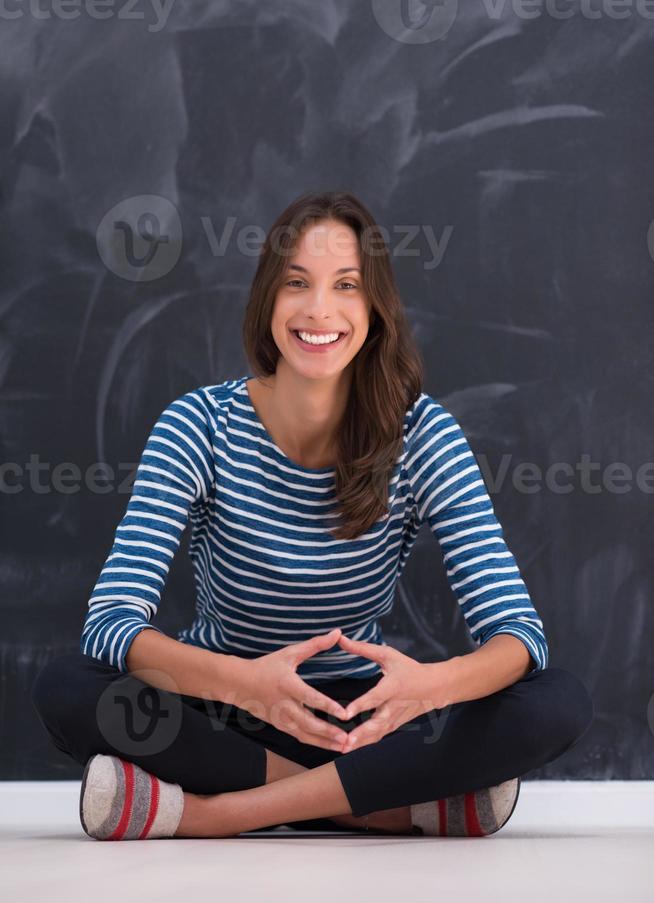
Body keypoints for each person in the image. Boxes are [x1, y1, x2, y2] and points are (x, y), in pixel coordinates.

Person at [30, 190, 594, 841]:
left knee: (556, 702)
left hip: (367, 718)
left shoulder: (425, 436)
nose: (319, 309)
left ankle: (210, 814)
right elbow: (110, 624)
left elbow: (520, 637)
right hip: (222, 706)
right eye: (297, 282)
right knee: (68, 686)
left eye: (346, 285)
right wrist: (246, 685)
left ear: (375, 309)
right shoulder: (196, 426)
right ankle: (393, 807)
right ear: (267, 298)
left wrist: (429, 689)